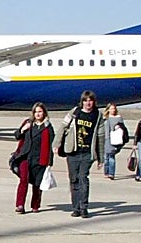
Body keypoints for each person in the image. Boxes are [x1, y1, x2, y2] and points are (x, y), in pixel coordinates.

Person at [53, 90, 102, 218]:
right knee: (74, 180)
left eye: (90, 100)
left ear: (94, 102)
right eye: (85, 101)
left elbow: (101, 137)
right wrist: (56, 144)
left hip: (87, 153)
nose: (88, 103)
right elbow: (62, 127)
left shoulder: (98, 116)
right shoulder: (75, 112)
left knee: (83, 178)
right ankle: (76, 207)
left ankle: (84, 207)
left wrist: (101, 158)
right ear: (82, 102)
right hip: (72, 151)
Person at [12, 102, 54, 213]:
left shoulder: (48, 127)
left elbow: (50, 146)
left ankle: (35, 205)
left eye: (40, 111)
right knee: (23, 180)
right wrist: (22, 130)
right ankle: (20, 205)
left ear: (44, 113)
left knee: (37, 183)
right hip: (25, 156)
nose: (38, 114)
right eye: (36, 112)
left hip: (39, 158)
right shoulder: (28, 123)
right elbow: (16, 135)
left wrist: (49, 163)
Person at [101, 103, 126, 179]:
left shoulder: (119, 118)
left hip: (115, 140)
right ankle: (106, 171)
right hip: (106, 140)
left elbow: (123, 129)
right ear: (108, 110)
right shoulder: (105, 118)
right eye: (111, 109)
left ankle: (111, 173)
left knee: (111, 157)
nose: (113, 110)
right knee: (106, 158)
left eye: (114, 109)